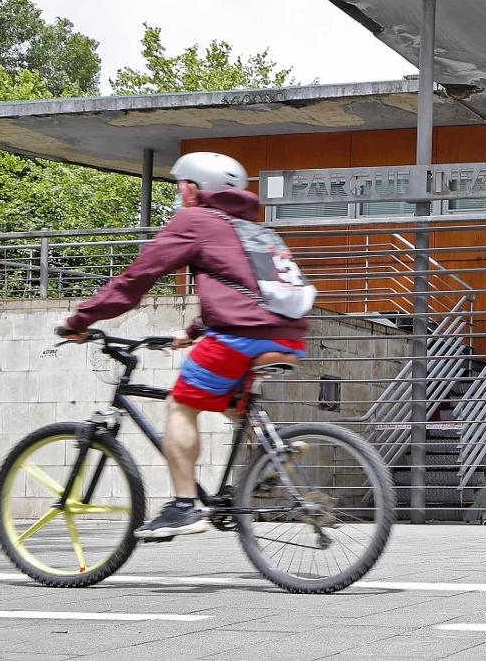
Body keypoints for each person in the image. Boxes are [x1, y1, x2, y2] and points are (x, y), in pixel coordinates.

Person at [59, 152, 309, 539]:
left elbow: (135, 280)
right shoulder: (253, 230)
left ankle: (184, 506)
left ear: (192, 188)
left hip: (240, 336)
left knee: (181, 404)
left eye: (180, 185)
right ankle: (269, 452)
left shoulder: (195, 220)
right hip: (288, 336)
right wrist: (192, 331)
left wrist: (81, 320)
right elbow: (246, 292)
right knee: (228, 401)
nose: (178, 193)